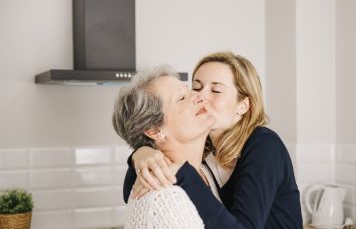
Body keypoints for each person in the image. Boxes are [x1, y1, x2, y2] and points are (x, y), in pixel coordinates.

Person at [124, 52, 303, 228]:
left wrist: (182, 172)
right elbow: (132, 192)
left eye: (216, 90)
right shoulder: (204, 151)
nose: (201, 96)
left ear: (243, 106)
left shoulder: (264, 146)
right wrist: (140, 154)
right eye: (196, 87)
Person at [112, 65, 216, 228]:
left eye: (190, 90)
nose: (199, 96)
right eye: (181, 98)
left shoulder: (207, 172)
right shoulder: (166, 199)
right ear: (154, 131)